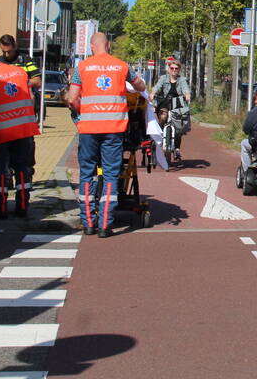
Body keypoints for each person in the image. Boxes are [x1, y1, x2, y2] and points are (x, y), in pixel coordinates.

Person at [66, 32, 147, 238]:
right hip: (114, 129)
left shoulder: (82, 68)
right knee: (111, 175)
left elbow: (72, 98)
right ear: (108, 45)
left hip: (88, 129)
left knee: (87, 174)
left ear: (92, 47)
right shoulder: (122, 66)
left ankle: (88, 223)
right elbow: (141, 86)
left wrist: (83, 115)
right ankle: (104, 225)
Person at [0, 50, 40, 217]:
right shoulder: (19, 71)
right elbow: (31, 97)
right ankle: (23, 206)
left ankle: (1, 208)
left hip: (1, 130)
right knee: (23, 168)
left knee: (1, 170)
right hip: (24, 128)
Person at [151, 59, 191, 163]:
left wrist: (187, 95)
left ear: (179, 70)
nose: (174, 70)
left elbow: (185, 89)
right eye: (172, 68)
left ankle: (177, 149)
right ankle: (159, 136)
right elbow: (158, 86)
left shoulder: (182, 80)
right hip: (164, 102)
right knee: (163, 117)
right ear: (169, 69)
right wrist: (153, 93)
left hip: (177, 103)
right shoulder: (163, 78)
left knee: (178, 127)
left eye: (176, 68)